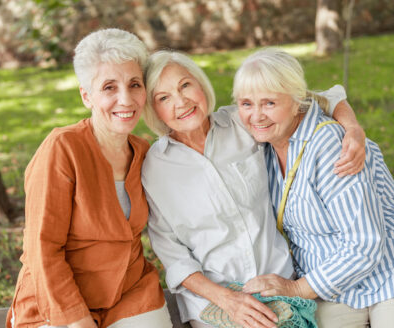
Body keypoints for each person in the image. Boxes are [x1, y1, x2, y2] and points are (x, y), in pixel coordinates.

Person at [141, 50, 366, 328]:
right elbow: (173, 256)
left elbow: (323, 98)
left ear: (201, 84)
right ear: (153, 110)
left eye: (185, 85)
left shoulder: (244, 121)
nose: (181, 101)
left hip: (280, 288)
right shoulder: (155, 167)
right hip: (215, 306)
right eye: (164, 98)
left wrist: (353, 128)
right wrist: (228, 300)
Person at [235, 48, 394, 328]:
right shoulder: (266, 143)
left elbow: (365, 243)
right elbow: (331, 94)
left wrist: (298, 289)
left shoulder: (329, 144)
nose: (257, 116)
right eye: (246, 104)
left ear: (298, 100)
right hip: (333, 278)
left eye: (269, 103)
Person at [6, 29, 171, 328]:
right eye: (109, 87)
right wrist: (77, 320)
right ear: (87, 96)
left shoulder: (145, 152)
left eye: (134, 84)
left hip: (128, 291)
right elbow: (42, 249)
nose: (126, 99)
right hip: (57, 298)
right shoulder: (62, 148)